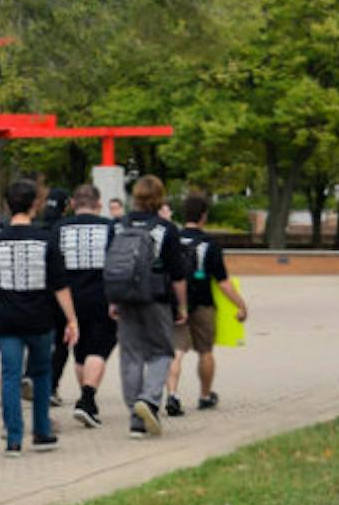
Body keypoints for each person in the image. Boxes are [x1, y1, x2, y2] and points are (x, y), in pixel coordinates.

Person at [0, 179, 79, 455]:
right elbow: (59, 284)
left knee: (10, 376)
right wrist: (72, 319)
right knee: (41, 374)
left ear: (7, 204)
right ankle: (41, 432)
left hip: (6, 319)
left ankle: (13, 439)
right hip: (40, 318)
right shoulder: (46, 239)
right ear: (35, 205)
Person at [107, 175, 188, 439]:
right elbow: (177, 274)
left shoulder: (118, 226)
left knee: (130, 356)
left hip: (125, 296)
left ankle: (136, 419)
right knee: (161, 352)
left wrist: (112, 300)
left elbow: (111, 265)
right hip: (157, 297)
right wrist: (182, 306)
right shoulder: (166, 229)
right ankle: (150, 399)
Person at [163, 192, 248, 416]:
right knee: (205, 351)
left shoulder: (172, 238)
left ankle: (172, 395)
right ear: (203, 216)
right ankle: (204, 395)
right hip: (202, 304)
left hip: (176, 305)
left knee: (176, 351)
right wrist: (241, 304)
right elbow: (223, 282)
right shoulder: (210, 244)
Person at [54, 184, 118, 428]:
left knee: (80, 352)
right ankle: (87, 399)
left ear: (72, 204)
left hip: (69, 301)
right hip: (101, 297)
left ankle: (87, 402)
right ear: (99, 204)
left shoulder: (59, 229)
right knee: (99, 349)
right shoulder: (110, 228)